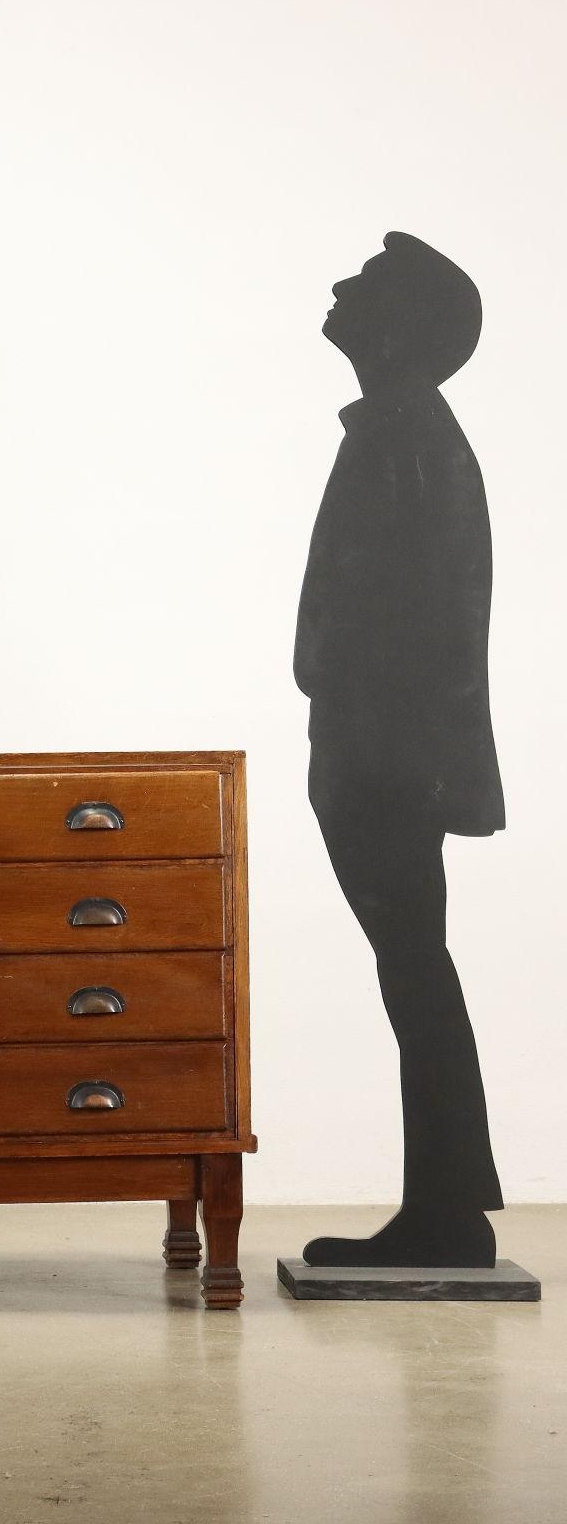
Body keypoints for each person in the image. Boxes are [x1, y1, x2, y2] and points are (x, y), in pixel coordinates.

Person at [294, 231, 504, 1267]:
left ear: (404, 325)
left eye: (367, 284)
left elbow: (448, 617)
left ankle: (450, 1212)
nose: (340, 287)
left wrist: (401, 762)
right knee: (413, 969)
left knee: (416, 970)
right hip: (373, 752)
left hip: (388, 761)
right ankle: (449, 1206)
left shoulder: (412, 435)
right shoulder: (395, 431)